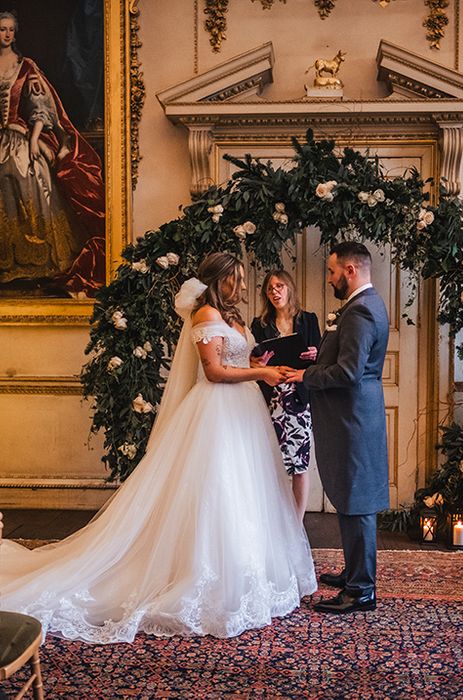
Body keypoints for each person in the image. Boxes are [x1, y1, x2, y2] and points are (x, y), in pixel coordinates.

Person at [0, 252, 317, 643]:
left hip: (244, 412)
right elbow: (214, 372)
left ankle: (249, 574)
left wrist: (261, 360)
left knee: (247, 490)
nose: (241, 285)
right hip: (216, 413)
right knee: (216, 490)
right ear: (219, 281)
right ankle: (205, 577)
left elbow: (235, 357)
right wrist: (262, 373)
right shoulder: (205, 317)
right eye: (234, 279)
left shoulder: (232, 317)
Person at [285, 241, 389, 614]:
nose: (329, 279)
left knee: (357, 501)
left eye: (331, 272)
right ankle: (354, 574)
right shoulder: (365, 305)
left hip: (354, 419)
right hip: (355, 415)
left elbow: (348, 373)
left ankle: (361, 590)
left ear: (350, 271)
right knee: (350, 496)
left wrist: (306, 374)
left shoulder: (360, 311)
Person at [0, 10, 105, 297]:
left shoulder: (25, 68)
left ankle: (33, 266)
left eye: (10, 29)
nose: (7, 34)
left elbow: (39, 108)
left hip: (20, 140)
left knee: (22, 178)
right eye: (2, 29)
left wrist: (35, 139)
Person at [251, 270, 321, 518]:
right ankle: (273, 523)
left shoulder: (309, 320)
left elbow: (320, 357)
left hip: (299, 399)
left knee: (299, 464)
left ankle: (296, 524)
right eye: (270, 288)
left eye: (279, 286)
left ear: (289, 288)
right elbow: (253, 363)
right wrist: (260, 363)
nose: (275, 292)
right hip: (270, 400)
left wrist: (315, 354)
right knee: (270, 464)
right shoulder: (259, 325)